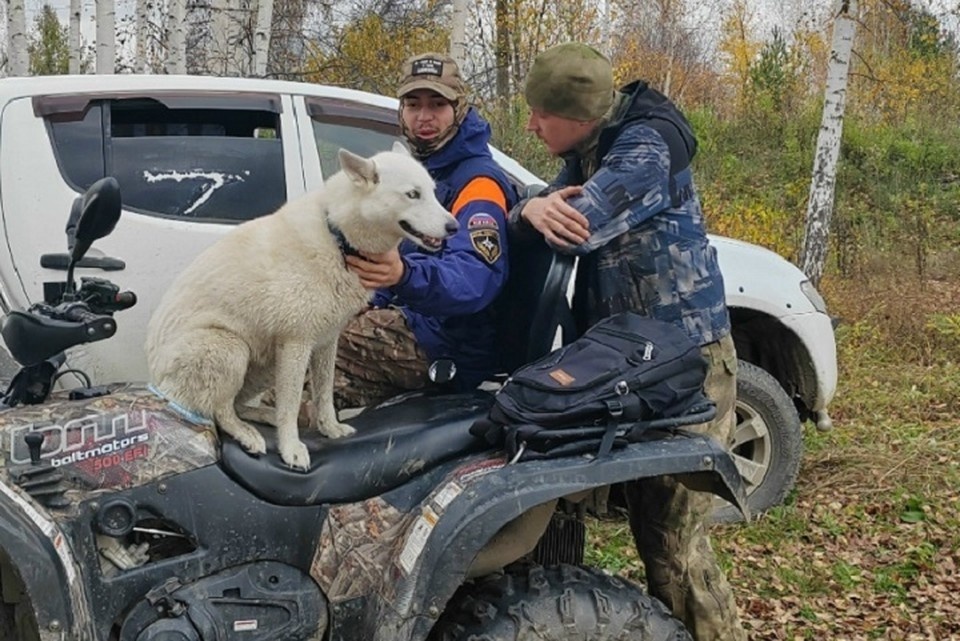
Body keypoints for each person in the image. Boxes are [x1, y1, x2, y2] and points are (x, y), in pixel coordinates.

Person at [509, 43, 746, 640]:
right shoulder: (593, 146)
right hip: (632, 363)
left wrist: (536, 211)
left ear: (581, 115)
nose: (532, 124)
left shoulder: (644, 149)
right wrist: (529, 206)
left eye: (541, 114)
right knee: (612, 520)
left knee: (673, 547)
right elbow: (534, 202)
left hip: (689, 367)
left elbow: (575, 224)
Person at [325, 52, 517, 414]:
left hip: (445, 343)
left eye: (437, 104)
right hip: (412, 322)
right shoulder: (422, 172)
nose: (424, 117)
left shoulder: (478, 184)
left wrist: (403, 276)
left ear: (459, 109)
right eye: (413, 104)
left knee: (309, 354)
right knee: (294, 343)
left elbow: (473, 280)